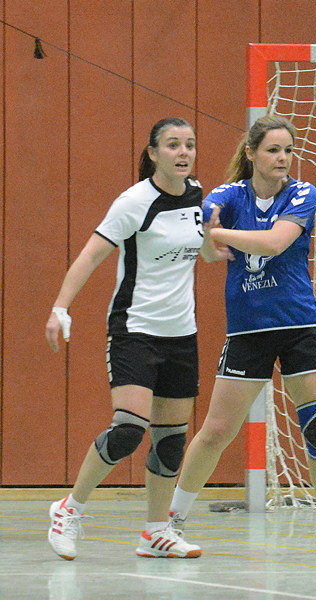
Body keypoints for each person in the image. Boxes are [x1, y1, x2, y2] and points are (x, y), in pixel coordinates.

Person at [167, 115, 316, 554]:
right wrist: (206, 236)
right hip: (249, 329)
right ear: (251, 153)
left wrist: (216, 233)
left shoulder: (302, 193)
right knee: (216, 431)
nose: (283, 158)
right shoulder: (228, 196)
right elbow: (205, 247)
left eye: (288, 150)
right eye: (273, 150)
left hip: (299, 325)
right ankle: (170, 520)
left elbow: (274, 242)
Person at [45, 117, 229, 561]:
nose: (183, 153)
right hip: (135, 330)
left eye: (189, 145)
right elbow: (90, 255)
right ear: (153, 153)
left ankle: (155, 532)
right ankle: (69, 510)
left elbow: (202, 253)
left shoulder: (198, 195)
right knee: (129, 428)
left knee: (171, 440)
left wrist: (212, 243)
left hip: (181, 333)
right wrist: (60, 307)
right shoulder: (134, 202)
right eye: (172, 145)